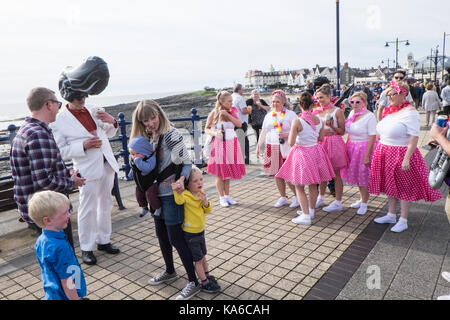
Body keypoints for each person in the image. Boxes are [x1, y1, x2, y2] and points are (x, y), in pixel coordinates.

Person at [130, 99, 201, 300]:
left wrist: (181, 179)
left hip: (171, 195)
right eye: (145, 120)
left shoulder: (171, 135)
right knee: (161, 236)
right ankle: (170, 271)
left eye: (153, 118)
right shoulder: (144, 138)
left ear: (159, 114)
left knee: (176, 238)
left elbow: (187, 163)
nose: (151, 123)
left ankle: (193, 282)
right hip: (155, 196)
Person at [10, 87, 85, 248]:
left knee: (53, 261)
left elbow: (44, 170)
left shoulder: (26, 130)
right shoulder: (38, 134)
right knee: (63, 261)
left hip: (38, 210)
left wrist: (66, 173)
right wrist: (72, 182)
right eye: (58, 103)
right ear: (49, 105)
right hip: (50, 213)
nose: (59, 108)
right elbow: (44, 181)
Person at [50, 92, 120, 265]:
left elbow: (109, 133)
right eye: (78, 98)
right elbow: (60, 151)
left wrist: (113, 121)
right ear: (68, 98)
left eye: (83, 97)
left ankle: (104, 240)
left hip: (106, 163)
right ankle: (87, 247)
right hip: (86, 168)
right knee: (87, 208)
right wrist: (83, 145)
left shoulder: (93, 109)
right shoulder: (59, 120)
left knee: (106, 203)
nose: (82, 101)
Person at [369, 81, 442, 233]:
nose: (389, 97)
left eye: (392, 94)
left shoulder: (411, 112)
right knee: (389, 185)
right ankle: (390, 214)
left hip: (400, 152)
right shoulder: (391, 110)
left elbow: (414, 137)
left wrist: (407, 158)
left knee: (404, 187)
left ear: (403, 94)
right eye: (387, 94)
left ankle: (403, 219)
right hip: (385, 150)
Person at [275, 92, 335, 225]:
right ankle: (311, 211)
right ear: (313, 105)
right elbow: (320, 138)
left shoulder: (298, 120)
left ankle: (306, 216)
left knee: (299, 186)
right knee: (313, 184)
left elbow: (291, 142)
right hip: (315, 152)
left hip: (302, 153)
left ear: (300, 105)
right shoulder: (319, 119)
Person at [28, 190, 87, 300]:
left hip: (53, 292)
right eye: (65, 213)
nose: (69, 215)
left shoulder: (41, 240)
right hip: (65, 295)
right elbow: (67, 281)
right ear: (48, 220)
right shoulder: (59, 247)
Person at [172, 166, 221, 293]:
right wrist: (176, 190)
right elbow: (178, 201)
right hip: (191, 233)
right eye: (195, 181)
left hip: (201, 231)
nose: (199, 183)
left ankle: (207, 275)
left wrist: (205, 202)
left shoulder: (201, 194)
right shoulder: (186, 195)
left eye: (201, 179)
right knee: (198, 260)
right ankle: (204, 282)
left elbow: (208, 210)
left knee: (204, 256)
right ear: (188, 184)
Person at [256, 90, 299, 208]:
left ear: (283, 102)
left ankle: (297, 196)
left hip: (286, 147)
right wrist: (259, 145)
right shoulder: (269, 115)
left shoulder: (290, 114)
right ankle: (283, 196)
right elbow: (264, 131)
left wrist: (287, 134)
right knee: (277, 174)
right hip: (271, 145)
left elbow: (299, 129)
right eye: (273, 101)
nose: (275, 104)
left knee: (288, 174)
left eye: (278, 102)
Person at [205, 91, 246, 207]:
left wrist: (228, 115)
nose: (231, 103)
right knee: (220, 173)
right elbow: (207, 128)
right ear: (221, 102)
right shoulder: (214, 113)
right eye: (229, 101)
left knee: (228, 173)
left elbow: (239, 124)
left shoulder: (232, 112)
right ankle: (221, 197)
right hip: (219, 144)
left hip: (231, 143)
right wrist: (214, 132)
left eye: (231, 101)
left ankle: (227, 196)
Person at [340, 92, 377, 215]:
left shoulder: (370, 116)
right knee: (357, 175)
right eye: (352, 102)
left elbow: (373, 136)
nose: (354, 104)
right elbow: (348, 131)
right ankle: (361, 199)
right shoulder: (352, 114)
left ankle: (365, 203)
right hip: (352, 147)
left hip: (364, 148)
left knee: (364, 177)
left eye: (358, 102)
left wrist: (367, 155)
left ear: (364, 103)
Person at [314, 84, 348, 213]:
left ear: (329, 96)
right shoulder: (316, 111)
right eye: (317, 98)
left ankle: (338, 201)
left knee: (336, 173)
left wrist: (331, 127)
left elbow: (342, 131)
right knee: (321, 171)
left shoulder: (337, 111)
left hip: (334, 142)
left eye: (321, 97)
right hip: (320, 143)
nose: (319, 100)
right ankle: (320, 198)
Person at [128, 135, 161, 218]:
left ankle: (158, 208)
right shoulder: (137, 159)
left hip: (151, 182)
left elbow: (146, 169)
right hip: (140, 183)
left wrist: (137, 161)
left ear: (144, 151)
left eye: (137, 153)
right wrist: (131, 173)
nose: (135, 156)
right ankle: (144, 207)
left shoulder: (150, 158)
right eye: (132, 154)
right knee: (139, 195)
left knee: (150, 195)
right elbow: (134, 168)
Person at [232, 84, 250, 164]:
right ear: (239, 90)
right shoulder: (240, 98)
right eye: (242, 89)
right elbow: (244, 111)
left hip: (233, 122)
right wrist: (250, 111)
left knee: (238, 141)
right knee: (244, 141)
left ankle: (238, 158)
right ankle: (245, 159)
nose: (243, 91)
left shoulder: (231, 97)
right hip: (241, 122)